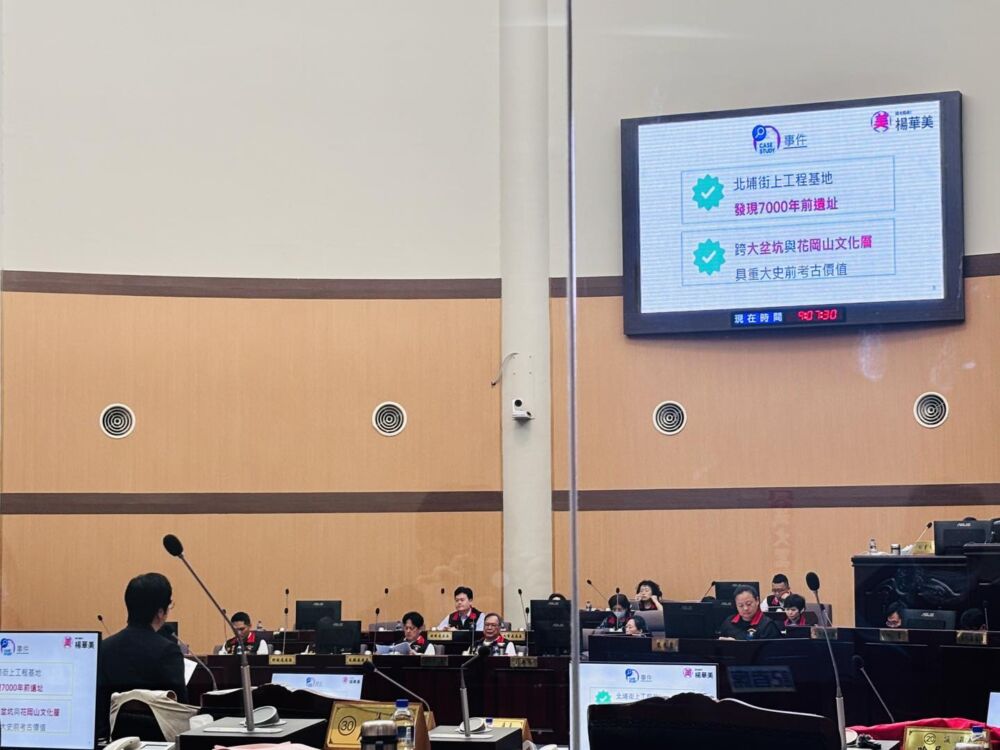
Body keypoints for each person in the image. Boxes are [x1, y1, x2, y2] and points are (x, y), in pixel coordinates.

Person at [97, 573, 187, 740]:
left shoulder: (103, 648)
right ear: (160, 612)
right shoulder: (168, 651)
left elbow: (99, 706)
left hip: (112, 740)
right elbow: (179, 709)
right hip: (159, 742)